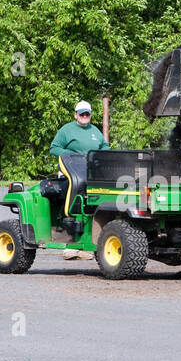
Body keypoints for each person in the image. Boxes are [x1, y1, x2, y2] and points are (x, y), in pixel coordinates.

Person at [49, 100, 109, 259]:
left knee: (94, 202)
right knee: (74, 200)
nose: (84, 116)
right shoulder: (66, 130)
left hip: (91, 173)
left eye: (87, 113)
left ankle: (88, 243)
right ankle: (69, 245)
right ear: (76, 114)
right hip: (71, 172)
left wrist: (102, 156)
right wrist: (72, 157)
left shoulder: (95, 131)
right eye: (81, 113)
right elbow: (54, 148)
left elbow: (105, 147)